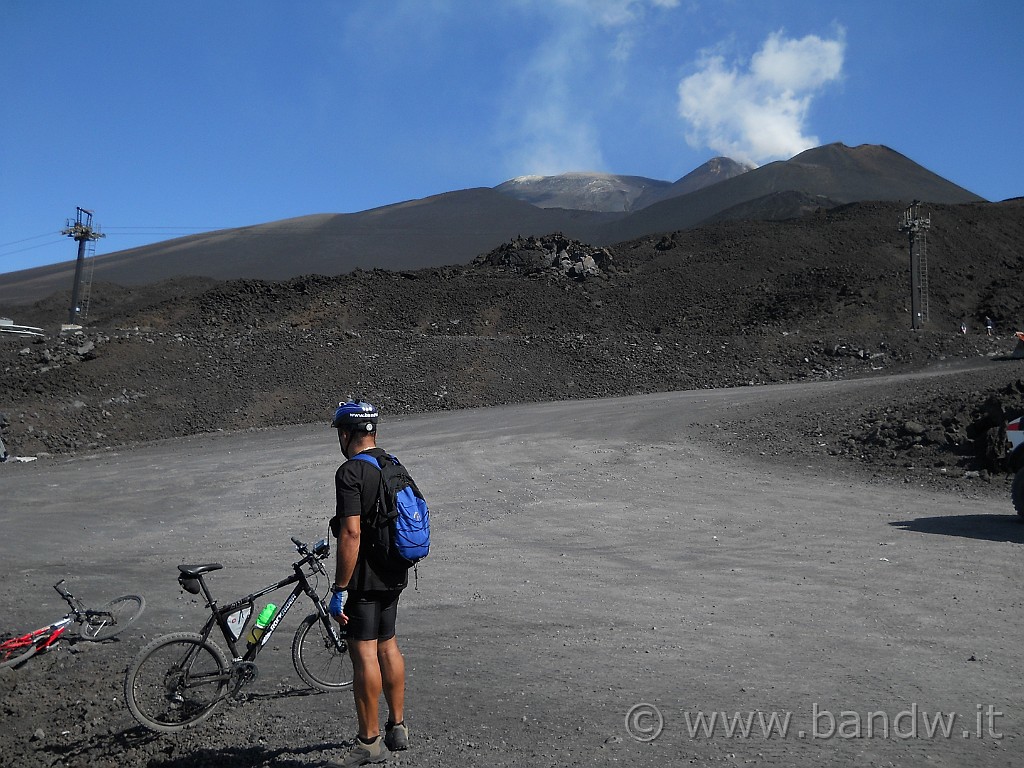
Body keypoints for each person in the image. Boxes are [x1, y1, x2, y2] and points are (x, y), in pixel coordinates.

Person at [327, 399, 410, 767]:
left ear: (347, 434)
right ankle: (398, 725)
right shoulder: (392, 464)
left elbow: (350, 533)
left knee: (364, 654)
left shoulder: (350, 473)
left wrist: (339, 588)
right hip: (395, 572)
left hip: (363, 579)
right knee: (388, 646)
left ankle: (369, 742)